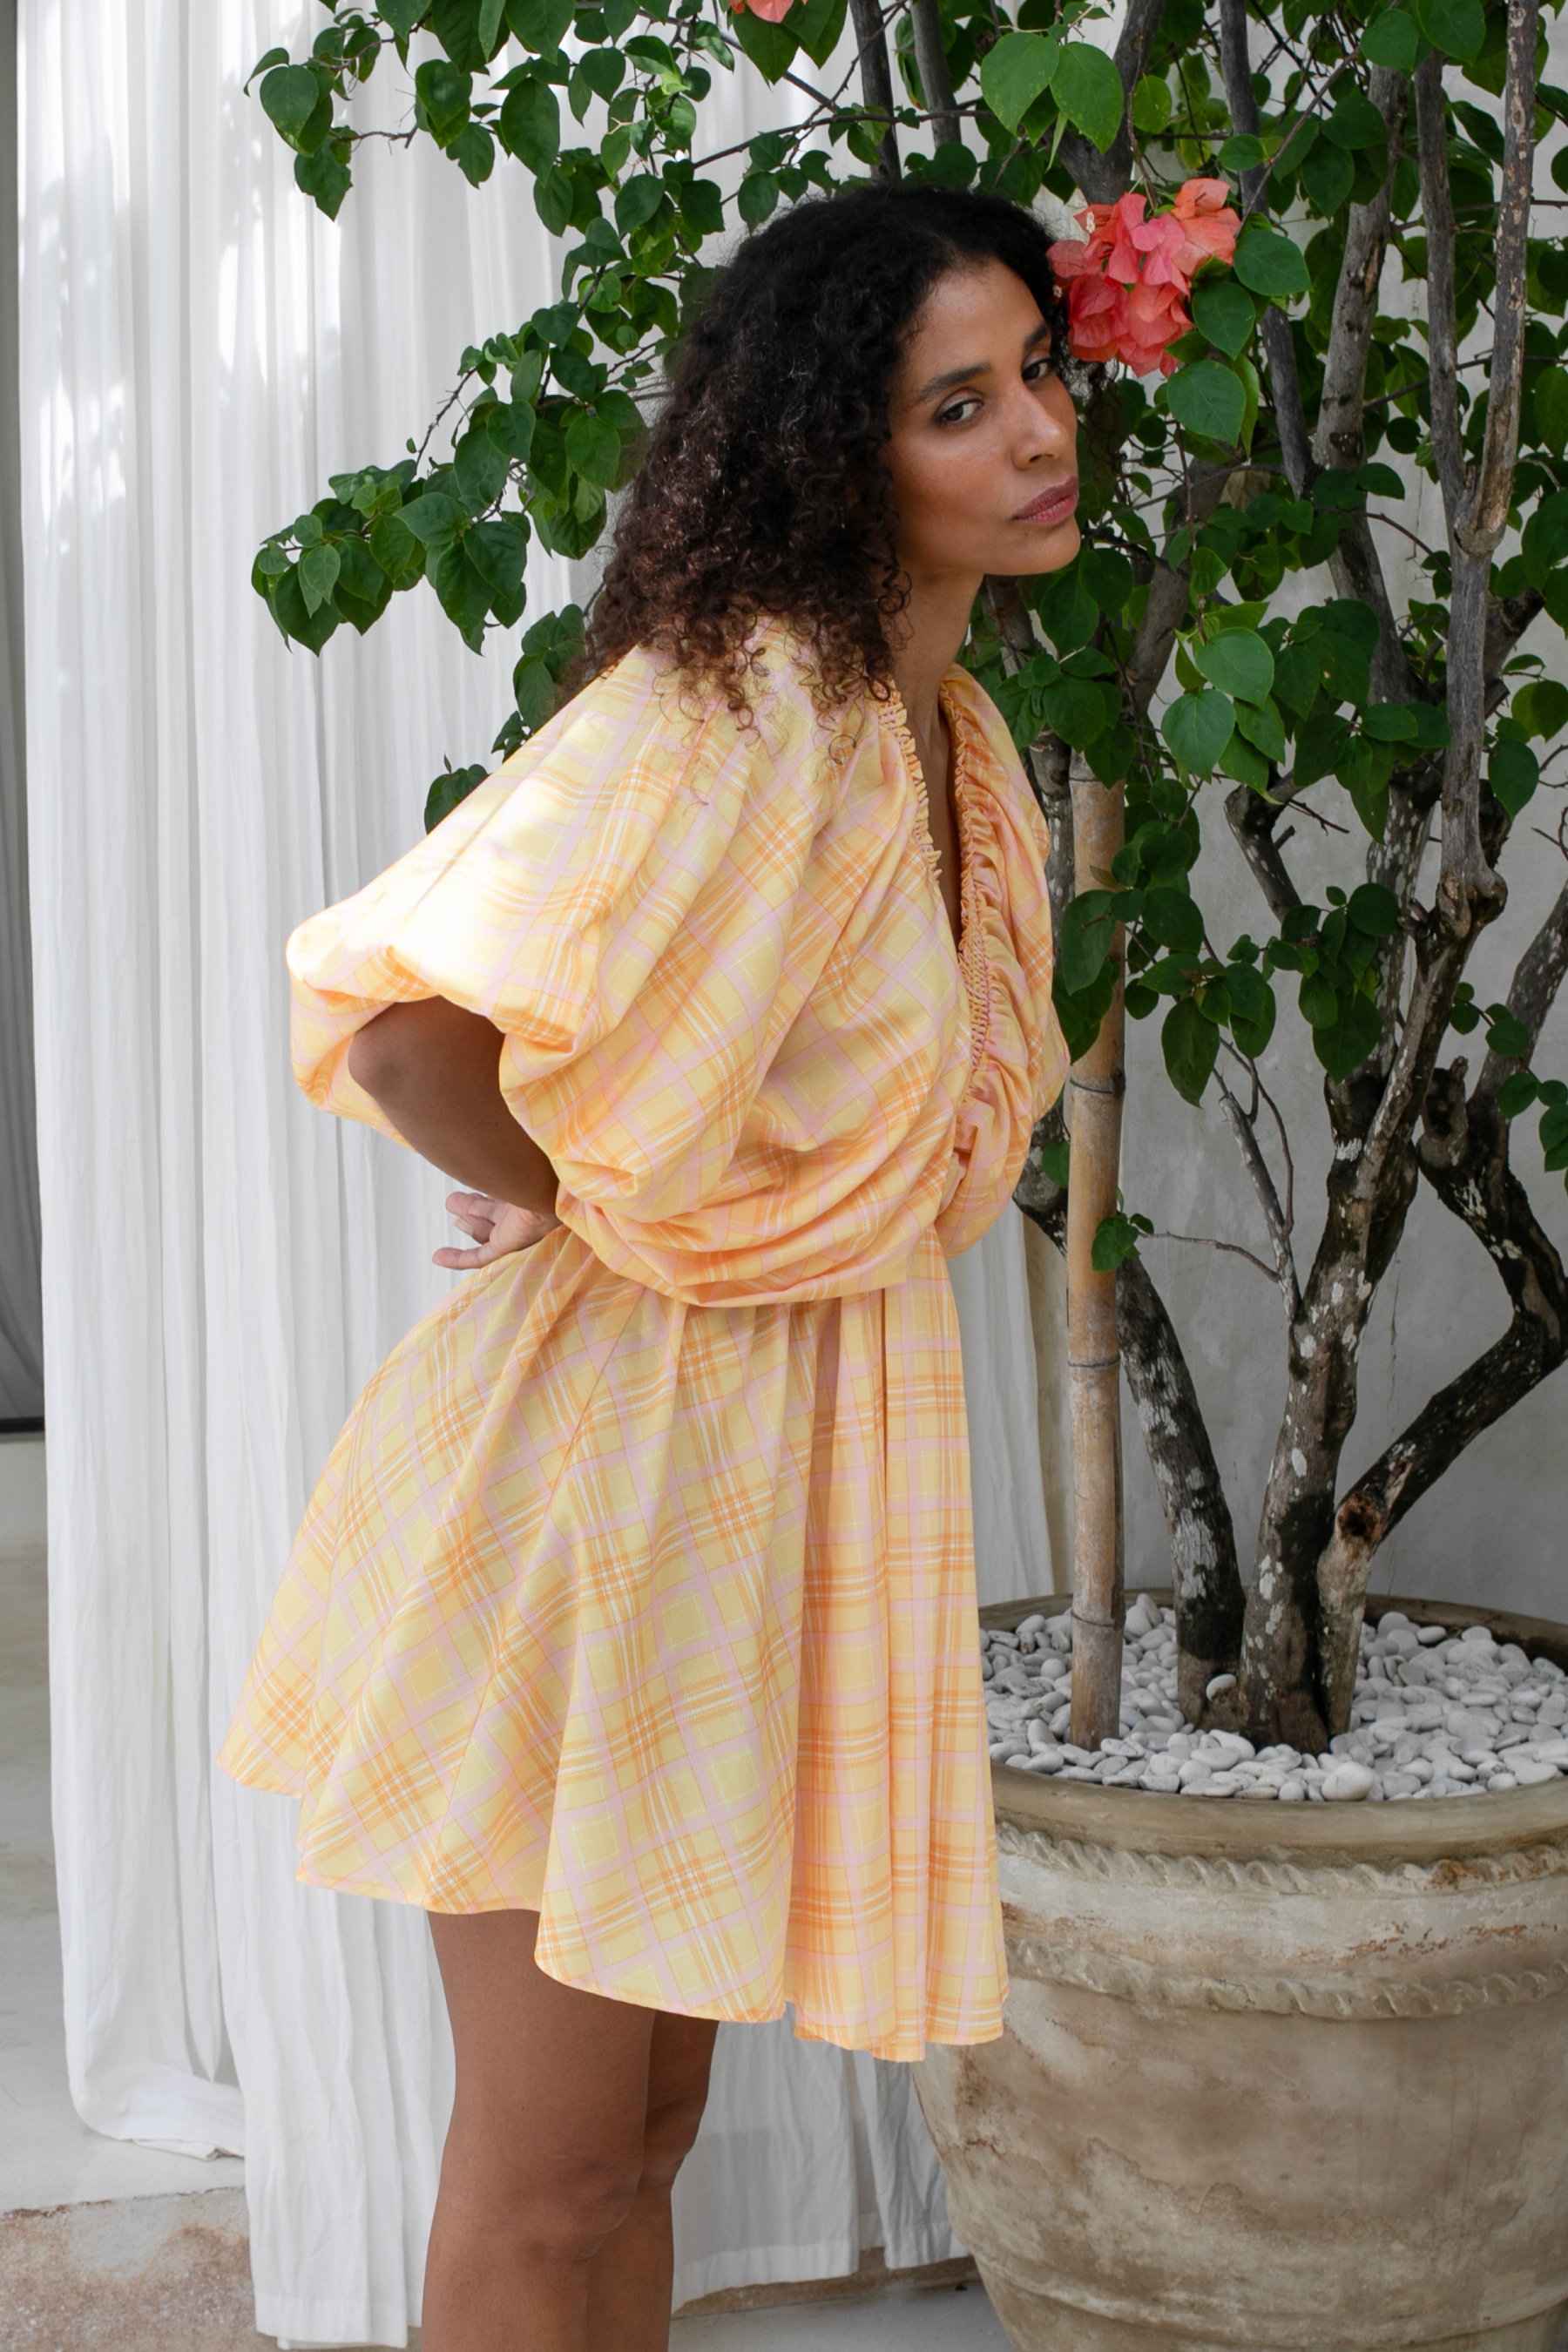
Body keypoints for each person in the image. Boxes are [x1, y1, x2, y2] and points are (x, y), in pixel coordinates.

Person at [220, 180, 1078, 2352]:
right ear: (834, 447)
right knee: (545, 2176)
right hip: (595, 1486)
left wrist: (599, 1166)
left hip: (756, 1485)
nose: (1037, 434)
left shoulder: (946, 737)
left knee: (644, 2135)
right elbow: (404, 1029)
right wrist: (591, 1192)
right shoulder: (744, 703)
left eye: (1040, 374)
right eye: (958, 404)